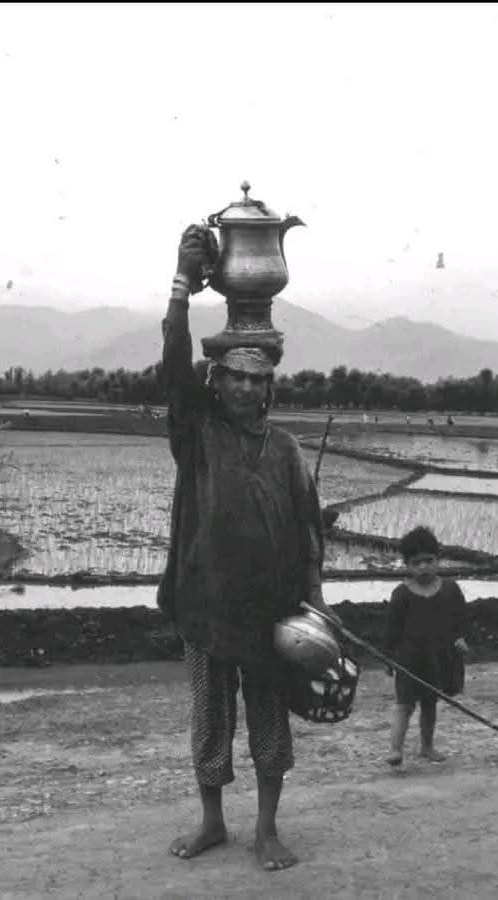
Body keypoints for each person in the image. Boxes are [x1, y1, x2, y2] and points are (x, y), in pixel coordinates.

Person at [158, 224, 340, 871]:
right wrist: (181, 287)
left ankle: (265, 829)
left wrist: (314, 607)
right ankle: (212, 822)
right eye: (231, 377)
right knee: (210, 719)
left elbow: (309, 533)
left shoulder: (286, 451)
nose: (242, 388)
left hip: (271, 616)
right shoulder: (195, 433)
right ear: (216, 382)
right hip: (205, 611)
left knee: (268, 721)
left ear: (268, 387)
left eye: (254, 379)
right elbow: (173, 362)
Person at [383, 526, 469, 767]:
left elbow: (460, 619)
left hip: (437, 658)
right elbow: (392, 630)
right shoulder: (402, 594)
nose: (423, 567)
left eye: (428, 561)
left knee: (430, 703)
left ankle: (427, 746)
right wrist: (389, 658)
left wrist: (461, 638)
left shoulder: (450, 590)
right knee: (405, 704)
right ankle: (395, 749)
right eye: (416, 562)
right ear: (407, 565)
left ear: (438, 560)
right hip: (409, 660)